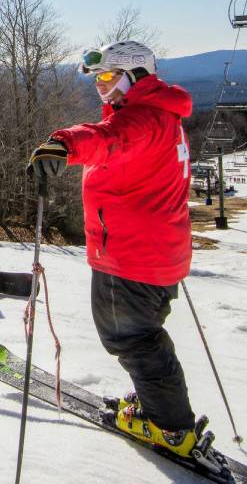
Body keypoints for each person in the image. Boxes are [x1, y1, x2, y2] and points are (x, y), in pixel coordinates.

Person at [27, 40, 202, 459]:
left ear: (136, 74)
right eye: (98, 80)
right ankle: (159, 406)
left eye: (108, 78)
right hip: (153, 251)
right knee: (142, 335)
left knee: (131, 339)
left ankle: (172, 428)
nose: (101, 89)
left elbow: (106, 139)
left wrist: (63, 144)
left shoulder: (142, 119)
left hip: (130, 257)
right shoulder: (162, 115)